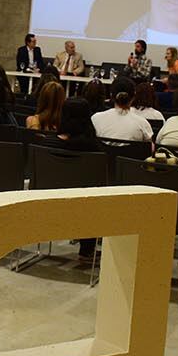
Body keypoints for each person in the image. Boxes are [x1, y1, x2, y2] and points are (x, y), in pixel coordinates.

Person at [54, 97, 102, 261]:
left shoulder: (48, 144)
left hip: (51, 198)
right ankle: (86, 250)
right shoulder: (95, 149)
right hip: (84, 204)